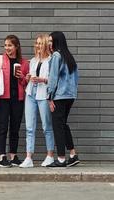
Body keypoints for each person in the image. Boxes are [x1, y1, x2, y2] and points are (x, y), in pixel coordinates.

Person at [0, 35, 29, 167]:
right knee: (3, 127)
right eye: (5, 45)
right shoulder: (0, 60)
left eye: (10, 45)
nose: (7, 48)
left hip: (18, 99)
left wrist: (22, 76)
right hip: (3, 99)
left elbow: (26, 83)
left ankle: (13, 156)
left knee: (15, 128)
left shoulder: (24, 63)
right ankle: (2, 157)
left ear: (17, 46)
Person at [19, 34, 55, 168]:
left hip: (43, 95)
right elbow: (29, 77)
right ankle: (29, 158)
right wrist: (28, 77)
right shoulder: (32, 61)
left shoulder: (52, 60)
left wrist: (42, 80)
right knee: (29, 127)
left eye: (41, 43)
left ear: (46, 45)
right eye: (37, 43)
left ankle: (50, 156)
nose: (38, 46)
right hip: (30, 94)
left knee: (47, 126)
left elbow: (54, 80)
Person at [46, 31, 80, 167]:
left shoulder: (56, 55)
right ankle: (73, 154)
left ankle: (61, 159)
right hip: (70, 96)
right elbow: (76, 78)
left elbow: (53, 78)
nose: (49, 43)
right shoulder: (69, 56)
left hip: (59, 96)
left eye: (50, 41)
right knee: (63, 124)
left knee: (57, 127)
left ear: (56, 41)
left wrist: (50, 97)